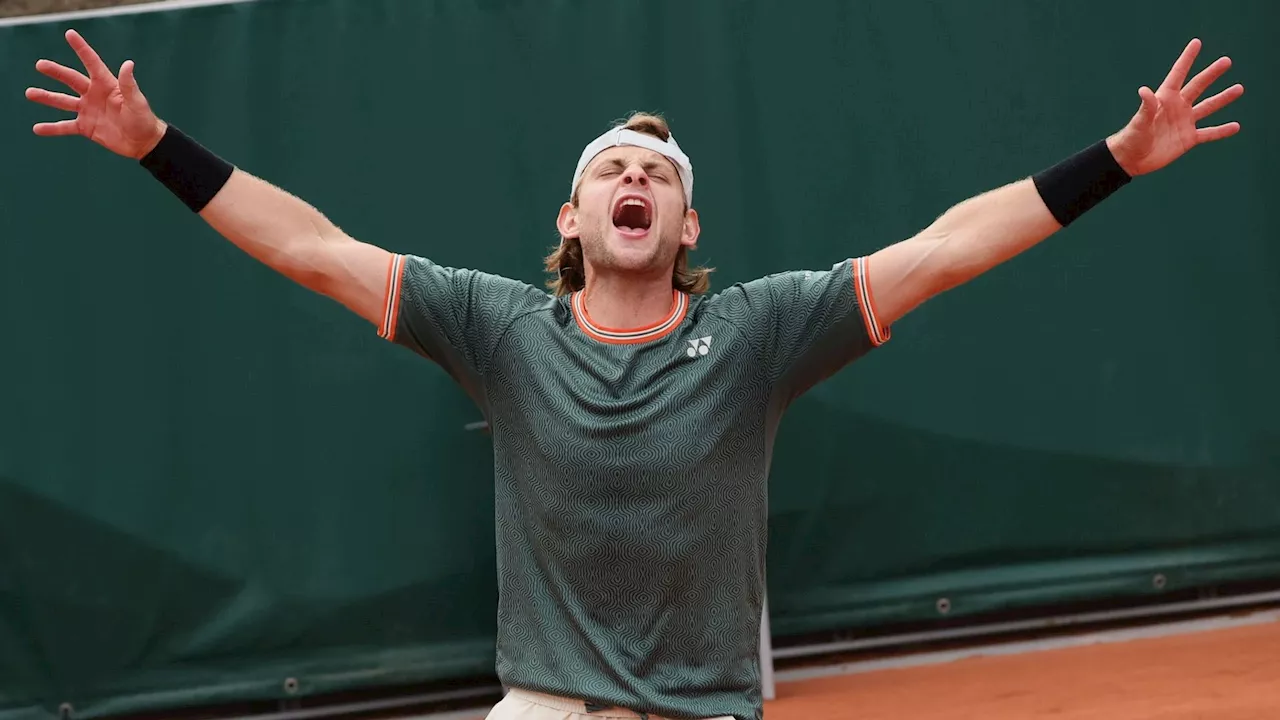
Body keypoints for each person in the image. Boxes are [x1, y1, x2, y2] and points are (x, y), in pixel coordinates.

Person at [25, 28, 1243, 720]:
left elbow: (942, 252)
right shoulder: (497, 330)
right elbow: (313, 251)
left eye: (660, 179)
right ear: (573, 214)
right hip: (545, 708)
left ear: (685, 228)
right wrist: (155, 147)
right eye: (615, 171)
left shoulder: (762, 334)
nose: (637, 183)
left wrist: (1117, 163)